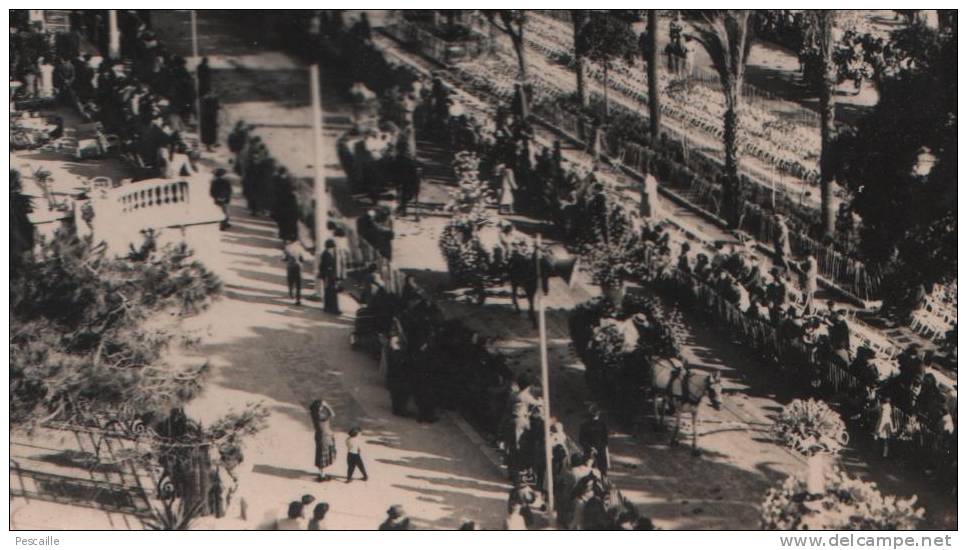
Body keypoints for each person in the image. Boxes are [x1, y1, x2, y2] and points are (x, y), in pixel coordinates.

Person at [309, 399, 336, 481]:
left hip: (321, 436)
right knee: (322, 456)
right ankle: (322, 475)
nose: (322, 407)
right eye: (321, 406)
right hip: (324, 437)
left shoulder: (314, 413)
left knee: (321, 455)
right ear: (318, 407)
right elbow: (332, 414)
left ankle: (322, 473)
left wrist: (323, 405)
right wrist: (326, 405)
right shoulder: (319, 415)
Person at [578, 407, 610, 476]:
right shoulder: (585, 425)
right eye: (593, 416)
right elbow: (581, 440)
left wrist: (597, 448)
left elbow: (605, 440)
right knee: (586, 471)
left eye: (595, 416)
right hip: (590, 452)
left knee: (602, 472)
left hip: (599, 451)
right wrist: (590, 448)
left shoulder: (602, 425)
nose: (595, 417)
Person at [318, 239, 341, 314]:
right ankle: (334, 309)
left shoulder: (326, 253)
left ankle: (327, 307)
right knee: (332, 292)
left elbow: (321, 266)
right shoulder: (326, 254)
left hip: (329, 276)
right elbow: (324, 266)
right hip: (329, 276)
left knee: (328, 292)